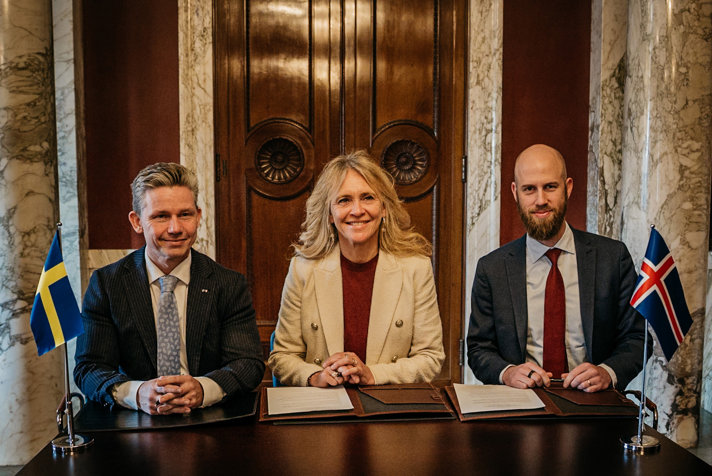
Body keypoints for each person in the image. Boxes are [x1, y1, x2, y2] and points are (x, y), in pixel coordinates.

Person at [74, 162, 264, 414]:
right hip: (133, 421)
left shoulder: (228, 284)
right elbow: (89, 368)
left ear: (198, 216)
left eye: (184, 214)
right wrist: (137, 393)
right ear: (137, 221)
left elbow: (248, 364)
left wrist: (204, 388)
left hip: (210, 418)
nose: (175, 228)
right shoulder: (107, 284)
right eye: (161, 216)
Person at [467, 144, 648, 392]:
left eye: (550, 187)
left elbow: (637, 338)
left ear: (568, 187)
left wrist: (607, 372)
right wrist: (507, 373)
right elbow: (478, 348)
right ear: (515, 192)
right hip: (521, 401)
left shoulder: (612, 258)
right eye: (529, 189)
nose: (541, 200)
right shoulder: (492, 269)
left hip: (594, 401)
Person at [268, 151, 444, 387]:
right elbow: (282, 357)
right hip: (326, 402)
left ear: (384, 208)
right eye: (344, 200)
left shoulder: (416, 268)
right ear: (329, 214)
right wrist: (317, 376)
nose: (357, 210)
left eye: (368, 197)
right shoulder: (303, 269)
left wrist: (372, 374)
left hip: (387, 401)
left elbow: (430, 358)